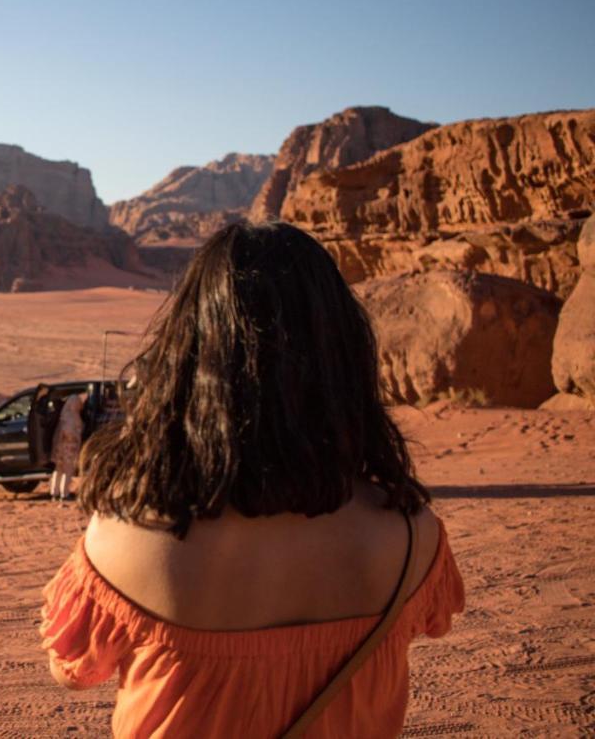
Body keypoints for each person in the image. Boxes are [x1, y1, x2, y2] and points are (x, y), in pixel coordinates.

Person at [39, 222, 464, 738]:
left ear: (187, 357)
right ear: (344, 354)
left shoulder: (128, 534)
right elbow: (430, 625)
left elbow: (73, 670)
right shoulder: (412, 536)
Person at [49, 391, 86, 502]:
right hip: (69, 448)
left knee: (58, 470)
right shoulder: (72, 417)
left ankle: (54, 493)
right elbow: (70, 433)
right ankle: (64, 494)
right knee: (67, 471)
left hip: (60, 448)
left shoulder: (64, 415)